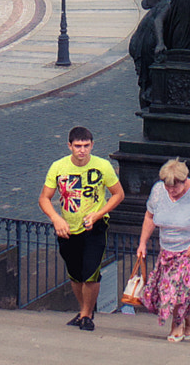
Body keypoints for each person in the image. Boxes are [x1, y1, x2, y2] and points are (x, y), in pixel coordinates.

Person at [42, 125, 123, 333]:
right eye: (78, 146)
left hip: (95, 226)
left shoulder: (103, 166)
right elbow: (44, 198)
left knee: (91, 272)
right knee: (76, 274)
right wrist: (55, 218)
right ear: (69, 146)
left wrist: (98, 214)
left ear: (92, 145)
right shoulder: (58, 167)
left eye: (86, 146)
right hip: (68, 228)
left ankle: (87, 314)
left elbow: (118, 194)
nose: (82, 150)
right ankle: (83, 310)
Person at [133, 156, 190, 342]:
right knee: (166, 290)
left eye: (176, 187)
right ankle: (189, 319)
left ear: (184, 180)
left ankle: (177, 325)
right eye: (168, 187)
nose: (172, 191)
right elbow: (150, 217)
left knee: (178, 290)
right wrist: (142, 243)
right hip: (168, 248)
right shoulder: (158, 191)